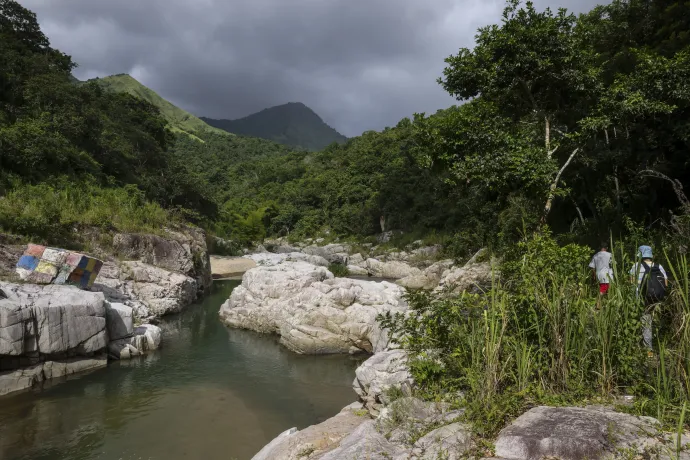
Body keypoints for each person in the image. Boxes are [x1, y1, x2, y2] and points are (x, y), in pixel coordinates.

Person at [629, 245, 669, 354]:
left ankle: (648, 351)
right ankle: (659, 343)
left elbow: (631, 283)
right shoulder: (659, 266)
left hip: (642, 299)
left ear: (640, 254)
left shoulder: (636, 266)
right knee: (652, 322)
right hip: (656, 298)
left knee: (644, 322)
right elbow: (665, 283)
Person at [589, 243, 613, 307]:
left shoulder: (595, 255)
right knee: (604, 290)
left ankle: (604, 305)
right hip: (608, 275)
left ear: (600, 248)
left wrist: (594, 275)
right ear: (607, 248)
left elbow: (592, 267)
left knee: (604, 289)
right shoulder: (610, 255)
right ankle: (598, 305)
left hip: (599, 275)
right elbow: (613, 265)